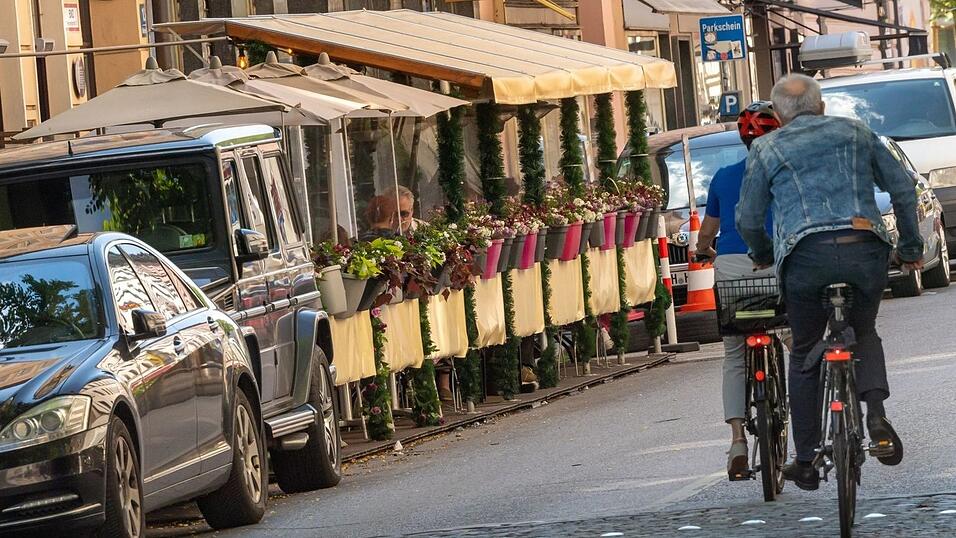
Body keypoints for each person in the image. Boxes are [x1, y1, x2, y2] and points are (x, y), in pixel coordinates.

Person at [736, 74, 923, 491]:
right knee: (864, 330)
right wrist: (910, 247)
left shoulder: (767, 147)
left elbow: (748, 217)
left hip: (805, 258)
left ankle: (805, 459)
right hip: (863, 248)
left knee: (805, 349)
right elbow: (903, 189)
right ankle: (876, 415)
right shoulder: (857, 132)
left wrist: (763, 252)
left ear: (778, 114)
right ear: (820, 107)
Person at [696, 101, 780, 480]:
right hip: (774, 264)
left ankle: (737, 442)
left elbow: (707, 234)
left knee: (733, 355)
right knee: (796, 338)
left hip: (731, 269)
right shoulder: (784, 174)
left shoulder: (723, 177)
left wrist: (704, 251)